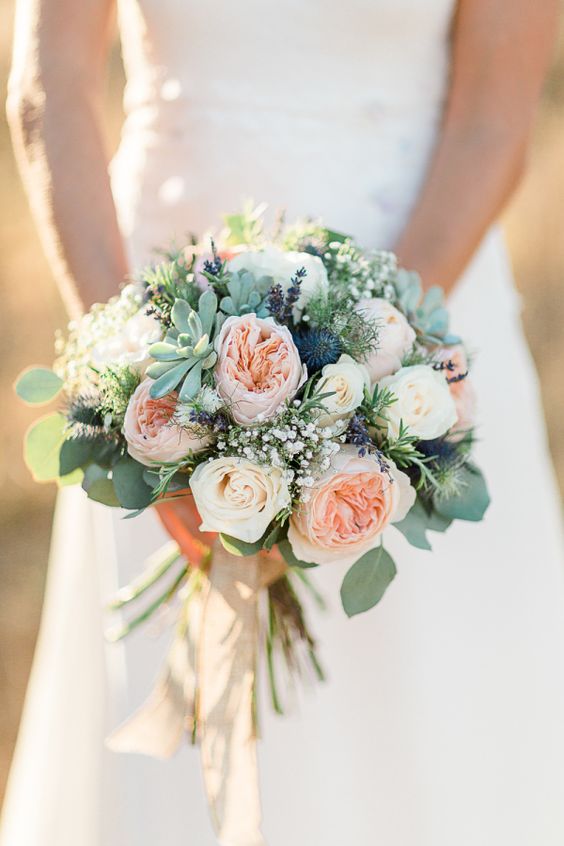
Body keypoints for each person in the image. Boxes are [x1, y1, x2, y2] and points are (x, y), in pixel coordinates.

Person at [3, 1, 564, 844]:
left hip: (425, 312)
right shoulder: (150, 388)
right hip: (168, 338)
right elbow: (52, 86)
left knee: (443, 726)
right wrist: (138, 397)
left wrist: (369, 386)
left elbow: (493, 118)